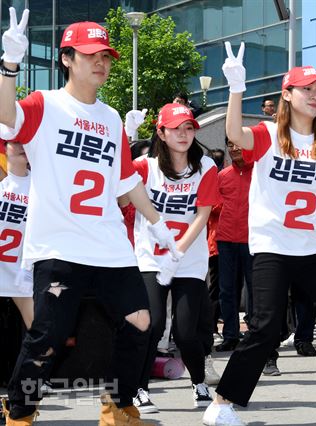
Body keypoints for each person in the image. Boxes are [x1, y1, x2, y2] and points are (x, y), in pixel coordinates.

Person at [0, 11, 177, 425]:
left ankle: (117, 405)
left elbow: (126, 181)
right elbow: (7, 118)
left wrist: (157, 223)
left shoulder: (111, 117)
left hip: (109, 244)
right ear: (67, 58)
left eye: (107, 56)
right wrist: (9, 65)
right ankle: (20, 411)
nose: (102, 62)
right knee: (47, 338)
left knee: (141, 322)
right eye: (91, 54)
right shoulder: (45, 104)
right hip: (59, 245)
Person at [202, 42, 316, 426]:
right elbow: (234, 131)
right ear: (287, 95)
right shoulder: (269, 134)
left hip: (314, 248)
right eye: (308, 90)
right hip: (272, 246)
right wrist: (237, 87)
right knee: (267, 327)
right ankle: (222, 402)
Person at [129, 103, 220, 413]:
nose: (184, 134)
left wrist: (177, 251)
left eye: (189, 128)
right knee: (151, 326)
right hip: (150, 259)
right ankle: (139, 389)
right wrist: (125, 137)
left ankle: (199, 383)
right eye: (176, 128)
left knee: (185, 330)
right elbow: (117, 191)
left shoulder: (206, 165)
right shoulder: (144, 166)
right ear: (161, 132)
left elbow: (203, 214)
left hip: (189, 260)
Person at [214, 136, 254, 353]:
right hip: (226, 238)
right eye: (230, 145)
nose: (235, 149)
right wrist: (223, 208)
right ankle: (230, 334)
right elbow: (210, 202)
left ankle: (256, 334)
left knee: (256, 291)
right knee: (227, 290)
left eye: (239, 144)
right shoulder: (222, 176)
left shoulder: (260, 173)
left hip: (253, 240)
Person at [0, 141, 33, 329]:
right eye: (15, 142)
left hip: (24, 273)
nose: (22, 146)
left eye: (26, 141)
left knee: (43, 337)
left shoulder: (42, 185)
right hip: (4, 265)